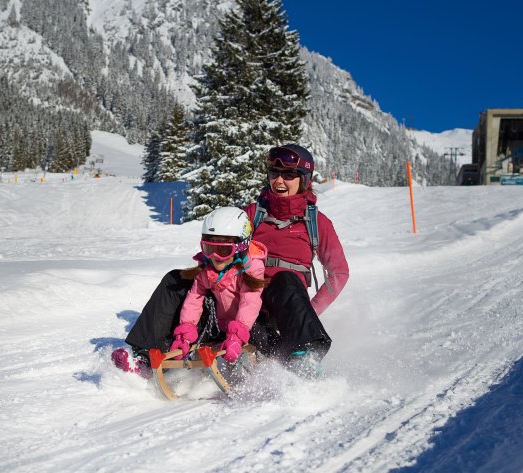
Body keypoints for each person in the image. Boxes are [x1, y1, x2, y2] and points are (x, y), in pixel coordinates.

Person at [119, 143, 349, 378]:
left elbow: (339, 274)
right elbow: (223, 246)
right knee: (176, 279)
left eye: (289, 175)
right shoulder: (252, 214)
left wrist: (307, 311)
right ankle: (145, 354)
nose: (279, 181)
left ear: (305, 179)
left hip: (275, 311)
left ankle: (305, 355)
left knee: (285, 280)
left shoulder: (317, 224)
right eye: (274, 174)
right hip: (235, 299)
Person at [112, 207, 267, 375]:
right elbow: (194, 300)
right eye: (209, 248)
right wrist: (185, 334)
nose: (215, 256)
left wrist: (237, 336)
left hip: (246, 327)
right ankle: (144, 360)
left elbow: (250, 303)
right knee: (179, 322)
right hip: (217, 325)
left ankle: (261, 370)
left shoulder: (252, 268)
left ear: (241, 246)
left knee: (263, 338)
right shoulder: (206, 268)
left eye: (223, 250)